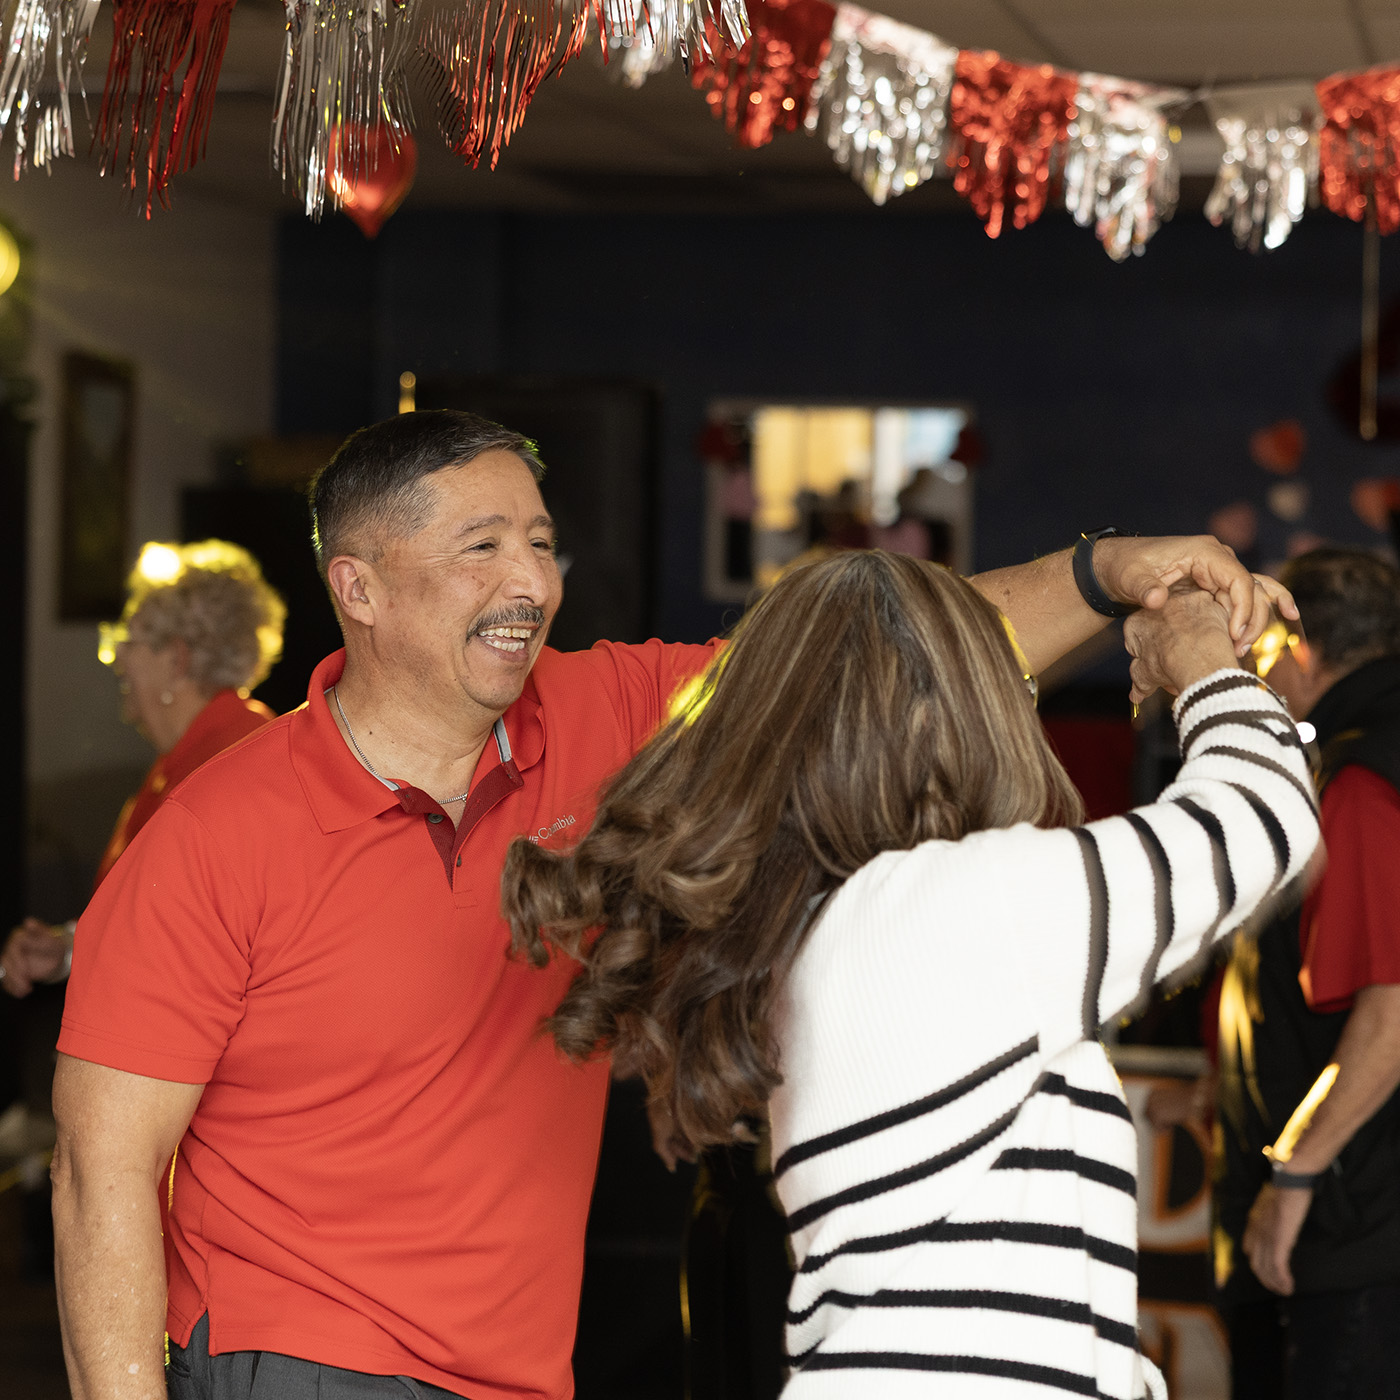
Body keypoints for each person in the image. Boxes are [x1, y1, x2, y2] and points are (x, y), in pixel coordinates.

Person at [51, 407, 1288, 1400]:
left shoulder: (607, 716)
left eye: (540, 541)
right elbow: (100, 1170)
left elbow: (884, 657)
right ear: (358, 586)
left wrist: (1101, 567)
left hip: (518, 1367)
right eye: (481, 545)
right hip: (300, 1358)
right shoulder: (215, 829)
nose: (529, 577)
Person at [504, 551, 1319, 1400]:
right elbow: (1259, 818)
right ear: (957, 716)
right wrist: (1200, 659)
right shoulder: (947, 906)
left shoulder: (827, 919)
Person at [1213, 547, 1400, 1400]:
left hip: (1358, 1230)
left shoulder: (1362, 782)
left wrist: (1291, 1174)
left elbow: (1390, 1013)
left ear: (1303, 647)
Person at [2, 539, 283, 994]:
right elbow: (152, 916)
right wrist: (68, 950)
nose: (114, 661)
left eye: (126, 642)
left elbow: (205, 951)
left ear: (177, 659)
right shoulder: (193, 751)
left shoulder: (232, 761)